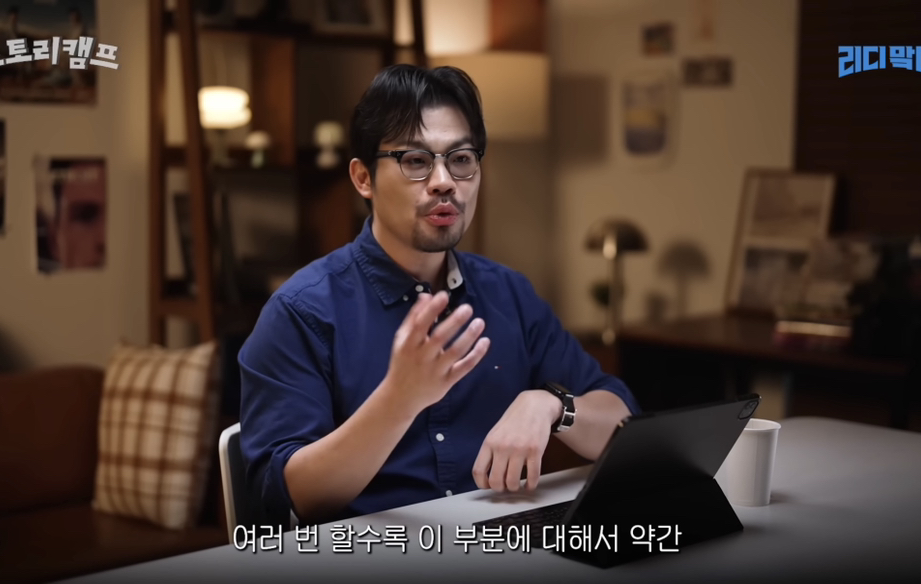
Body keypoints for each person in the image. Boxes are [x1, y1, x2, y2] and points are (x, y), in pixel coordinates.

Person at [238, 64, 641, 527]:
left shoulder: (508, 293)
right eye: (415, 161)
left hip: (501, 545)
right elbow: (290, 498)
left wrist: (552, 406)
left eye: (461, 158)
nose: (444, 180)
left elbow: (621, 421)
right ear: (363, 178)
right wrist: (399, 399)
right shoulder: (302, 311)